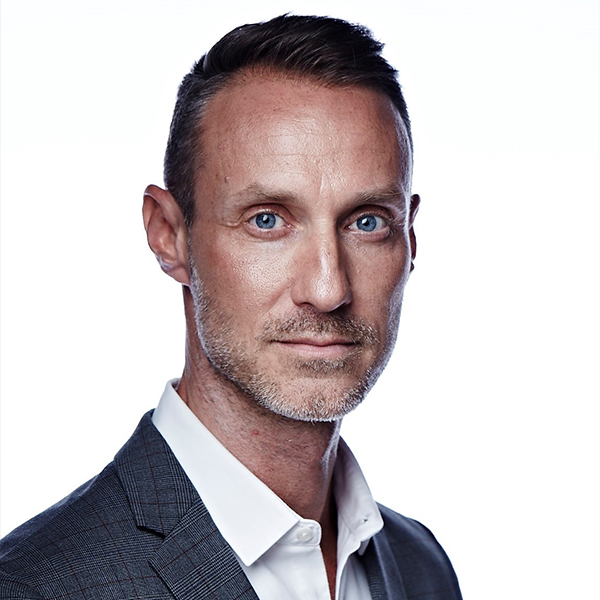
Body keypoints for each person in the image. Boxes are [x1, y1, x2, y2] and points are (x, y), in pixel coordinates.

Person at [0, 14, 462, 600]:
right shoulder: (34, 586)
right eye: (267, 220)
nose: (328, 289)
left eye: (367, 223)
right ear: (169, 235)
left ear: (410, 239)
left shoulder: (421, 567)